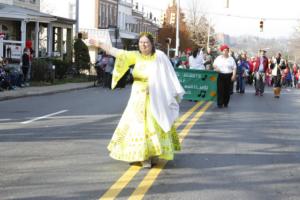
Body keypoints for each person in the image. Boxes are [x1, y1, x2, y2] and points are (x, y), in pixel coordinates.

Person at [90, 32, 185, 168]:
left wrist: (157, 88)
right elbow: (117, 52)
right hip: (137, 97)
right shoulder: (136, 56)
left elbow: (168, 76)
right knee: (137, 125)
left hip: (155, 97)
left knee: (154, 124)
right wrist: (100, 44)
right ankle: (142, 156)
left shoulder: (159, 57)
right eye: (141, 42)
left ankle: (153, 154)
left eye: (146, 42)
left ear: (152, 44)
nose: (143, 45)